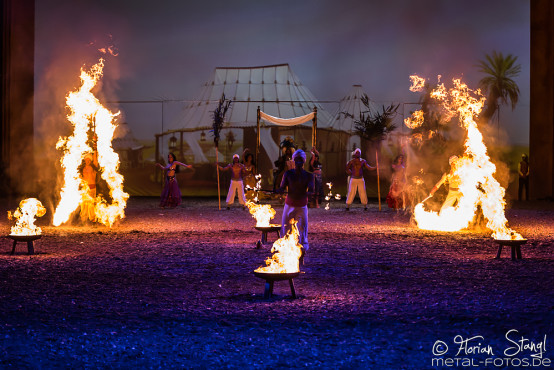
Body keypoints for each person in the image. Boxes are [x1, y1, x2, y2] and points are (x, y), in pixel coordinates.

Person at [276, 149, 314, 258]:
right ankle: (284, 251)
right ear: (293, 161)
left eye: (300, 160)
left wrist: (309, 193)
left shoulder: (309, 176)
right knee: (285, 228)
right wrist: (279, 190)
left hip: (302, 206)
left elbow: (311, 190)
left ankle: (301, 250)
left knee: (302, 229)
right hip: (289, 204)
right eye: (296, 160)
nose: (298, 162)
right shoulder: (288, 174)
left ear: (304, 161)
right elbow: (282, 187)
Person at [80, 151, 99, 223]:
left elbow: (95, 159)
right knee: (83, 204)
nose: (87, 161)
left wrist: (95, 147)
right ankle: (83, 220)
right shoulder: (83, 169)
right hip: (85, 188)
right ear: (84, 160)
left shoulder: (93, 168)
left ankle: (93, 219)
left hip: (92, 187)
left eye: (89, 160)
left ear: (90, 161)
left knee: (91, 204)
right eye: (86, 160)